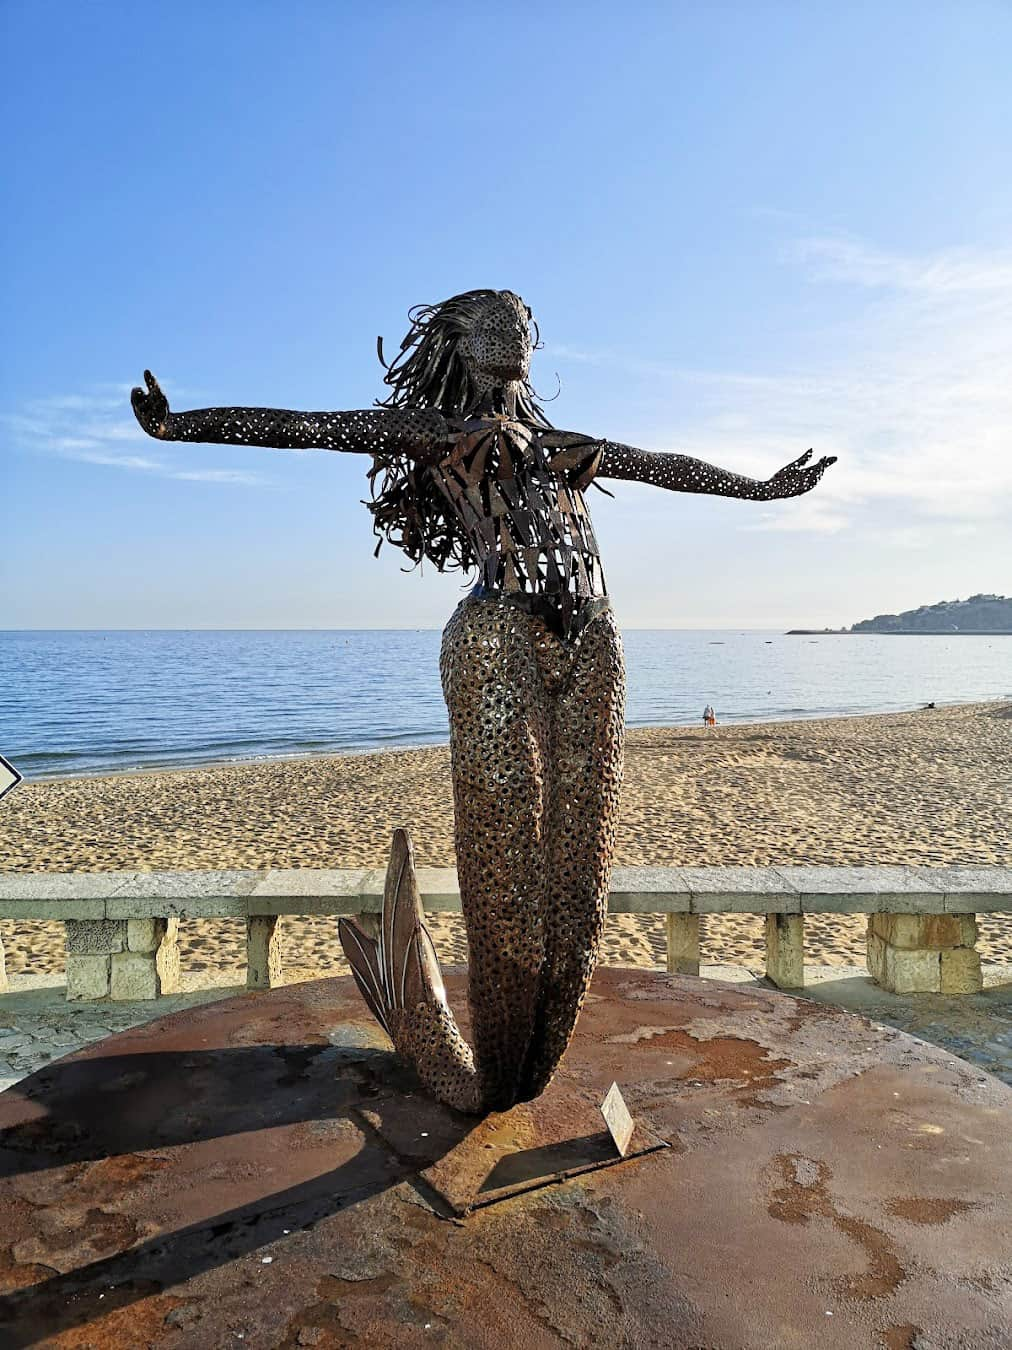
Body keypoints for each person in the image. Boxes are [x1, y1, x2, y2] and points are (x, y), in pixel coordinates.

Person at [131, 288, 835, 1113]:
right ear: (457, 345)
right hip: (497, 636)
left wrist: (763, 489)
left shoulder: (566, 441)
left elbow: (667, 466)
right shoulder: (437, 433)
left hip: (596, 640)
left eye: (521, 323)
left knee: (584, 863)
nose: (512, 333)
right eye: (490, 323)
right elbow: (307, 426)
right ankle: (485, 1065)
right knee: (506, 860)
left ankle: (524, 1066)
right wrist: (178, 425)